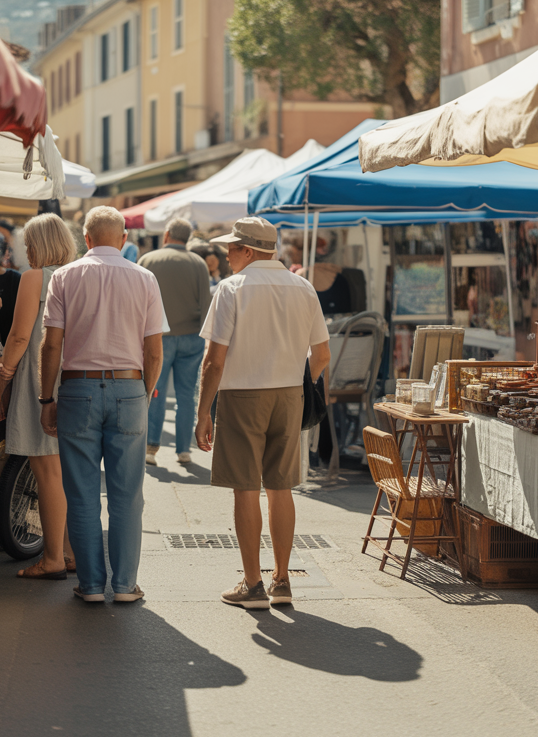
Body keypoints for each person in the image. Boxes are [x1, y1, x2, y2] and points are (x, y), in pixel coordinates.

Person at [195, 217, 330, 610]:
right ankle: (282, 581)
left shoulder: (232, 288)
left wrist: (204, 411)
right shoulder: (303, 287)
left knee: (245, 487)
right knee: (281, 488)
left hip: (241, 395)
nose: (226, 255)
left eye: (231, 249)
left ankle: (252, 584)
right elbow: (321, 354)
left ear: (248, 251)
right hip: (289, 394)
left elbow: (214, 361)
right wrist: (301, 382)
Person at [40, 206, 164, 603]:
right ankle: (125, 585)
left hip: (77, 390)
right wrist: (143, 395)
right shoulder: (144, 278)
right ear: (123, 239)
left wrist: (47, 398)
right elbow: (154, 352)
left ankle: (91, 585)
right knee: (128, 495)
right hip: (129, 388)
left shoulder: (64, 276)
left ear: (86, 239)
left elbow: (52, 345)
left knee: (81, 493)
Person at [0, 214, 78, 579]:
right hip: (75, 379)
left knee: (46, 471)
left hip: (40, 378)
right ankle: (69, 551)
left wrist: (4, 376)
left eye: (29, 244)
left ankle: (52, 560)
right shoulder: (81, 274)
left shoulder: (37, 277)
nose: (25, 251)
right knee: (66, 473)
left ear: (40, 245)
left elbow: (19, 337)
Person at [138, 218, 211, 467]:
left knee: (155, 391)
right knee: (187, 394)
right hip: (192, 336)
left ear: (167, 234)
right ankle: (183, 450)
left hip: (158, 336)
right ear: (188, 237)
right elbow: (206, 304)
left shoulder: (148, 260)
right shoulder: (198, 263)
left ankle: (151, 448)